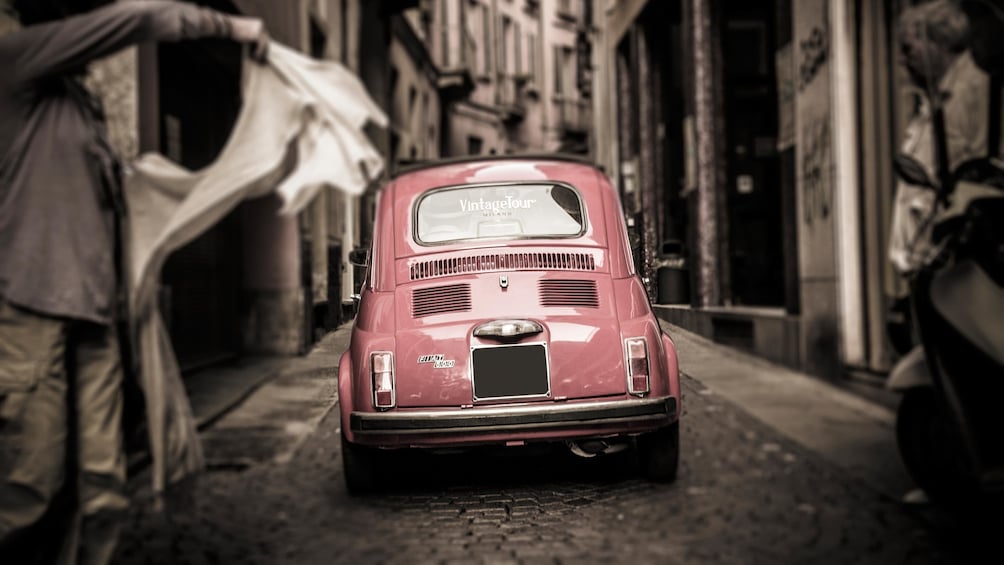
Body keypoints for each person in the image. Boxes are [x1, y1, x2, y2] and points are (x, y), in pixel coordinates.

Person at [0, 1, 268, 563]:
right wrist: (234, 27)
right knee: (31, 487)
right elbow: (142, 18)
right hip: (28, 311)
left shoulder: (78, 103)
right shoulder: (13, 61)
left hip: (97, 315)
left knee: (102, 489)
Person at [889, 0, 989, 275]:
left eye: (908, 48)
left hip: (958, 268)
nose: (902, 59)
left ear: (938, 42)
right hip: (931, 267)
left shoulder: (972, 93)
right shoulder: (933, 100)